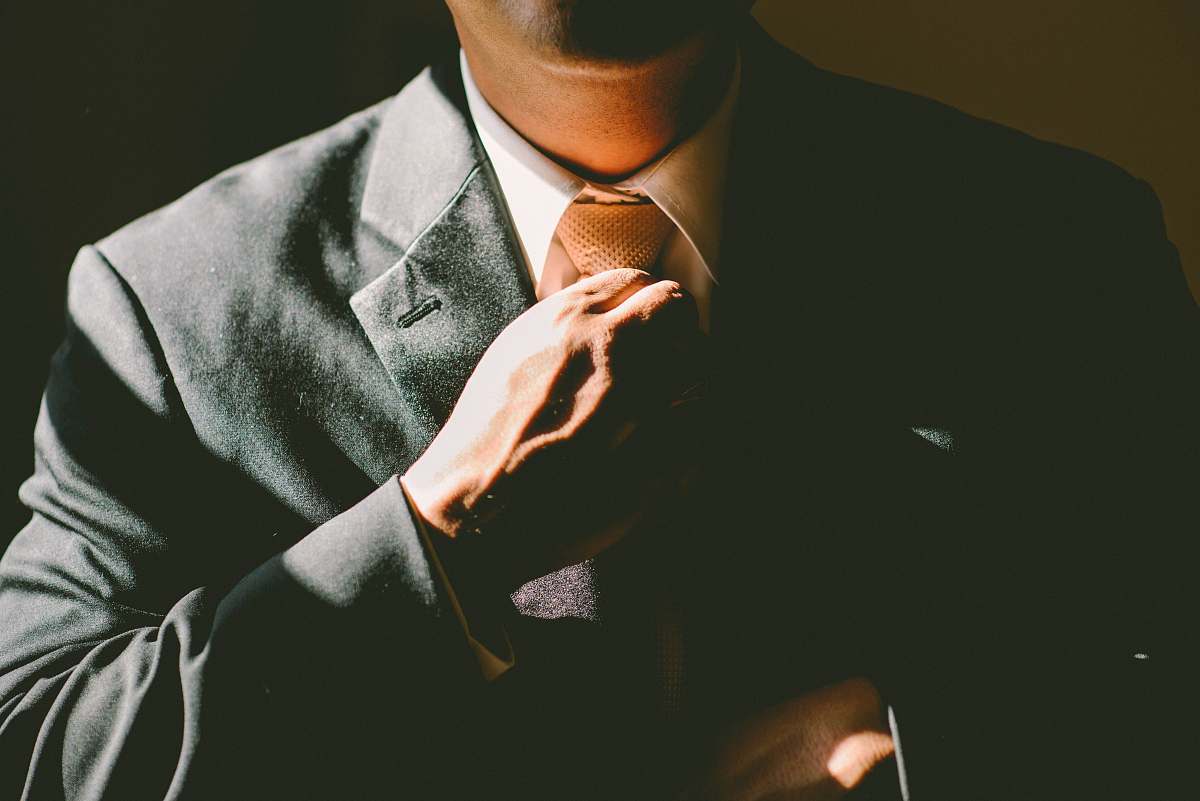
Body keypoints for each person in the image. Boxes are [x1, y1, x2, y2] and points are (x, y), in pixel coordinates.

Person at [0, 1, 1195, 798]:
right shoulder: (174, 303)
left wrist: (937, 743)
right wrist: (440, 530)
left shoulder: (1056, 247)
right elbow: (37, 748)